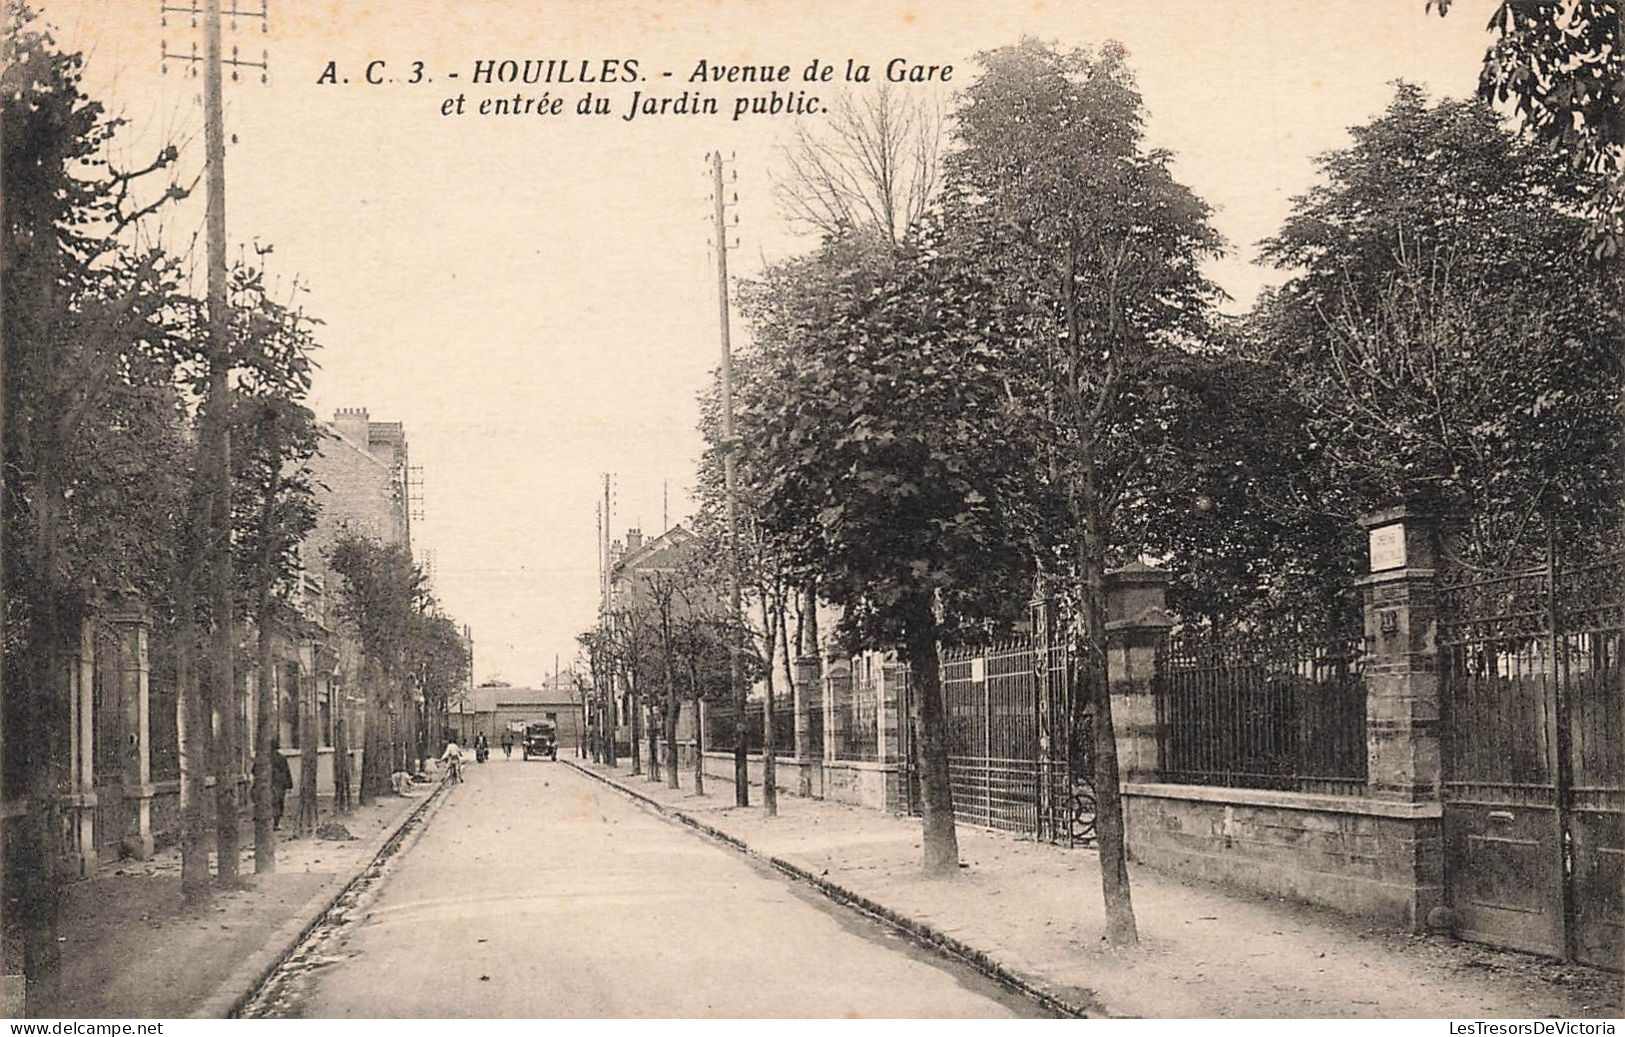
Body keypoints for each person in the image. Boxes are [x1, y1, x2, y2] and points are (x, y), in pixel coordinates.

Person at [271, 739, 294, 829]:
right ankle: (276, 823)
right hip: (279, 784)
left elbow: (254, 770)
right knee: (279, 803)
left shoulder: (263, 758)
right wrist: (289, 784)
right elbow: (286, 771)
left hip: (269, 784)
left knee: (270, 802)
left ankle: (271, 823)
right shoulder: (281, 758)